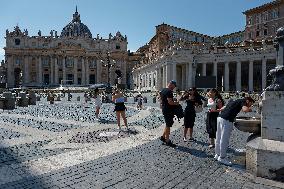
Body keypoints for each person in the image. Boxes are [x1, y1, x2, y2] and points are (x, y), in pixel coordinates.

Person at [214, 96, 255, 166]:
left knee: (218, 137)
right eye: (250, 104)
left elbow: (224, 107)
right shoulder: (243, 101)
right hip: (226, 120)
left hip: (220, 117)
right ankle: (222, 158)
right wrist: (251, 109)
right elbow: (245, 110)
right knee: (224, 139)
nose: (249, 105)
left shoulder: (235, 100)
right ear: (248, 100)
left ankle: (217, 155)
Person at [159, 80, 179, 147]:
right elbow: (170, 102)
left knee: (167, 124)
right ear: (171, 84)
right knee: (168, 125)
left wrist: (162, 105)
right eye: (174, 86)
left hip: (165, 109)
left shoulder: (163, 90)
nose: (174, 87)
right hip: (168, 110)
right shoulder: (169, 92)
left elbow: (161, 100)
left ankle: (163, 137)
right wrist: (176, 103)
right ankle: (167, 141)